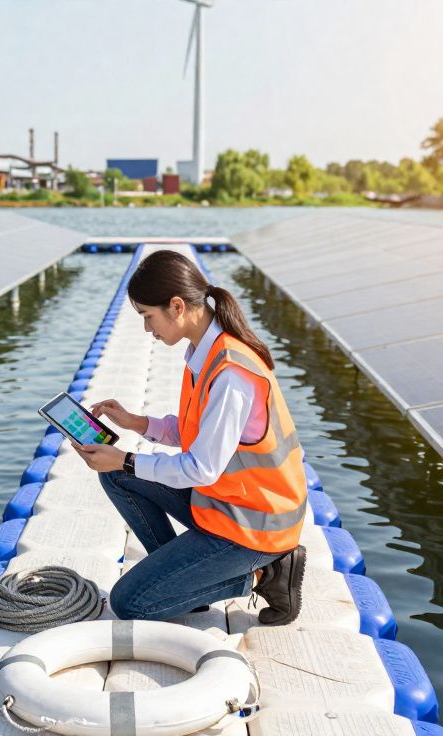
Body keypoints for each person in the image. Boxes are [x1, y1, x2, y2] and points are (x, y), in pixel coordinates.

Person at [72, 250, 308, 625]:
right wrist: (137, 423)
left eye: (148, 316)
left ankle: (265, 574)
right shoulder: (204, 351)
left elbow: (201, 467)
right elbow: (197, 432)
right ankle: (181, 585)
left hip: (256, 523)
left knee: (130, 603)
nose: (148, 329)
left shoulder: (230, 373)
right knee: (116, 476)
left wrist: (126, 458)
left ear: (177, 306)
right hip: (227, 503)